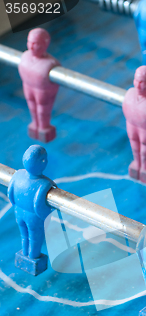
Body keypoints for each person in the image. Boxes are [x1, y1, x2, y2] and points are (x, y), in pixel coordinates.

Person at [8, 145, 56, 275]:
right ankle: (33, 257)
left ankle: (24, 253)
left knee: (24, 235)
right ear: (41, 163)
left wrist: (16, 207)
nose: (46, 161)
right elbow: (38, 206)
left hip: (19, 213)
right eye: (44, 159)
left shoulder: (18, 175)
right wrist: (49, 216)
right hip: (33, 217)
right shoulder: (44, 183)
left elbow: (10, 194)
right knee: (35, 238)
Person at [18, 28, 60, 143]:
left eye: (35, 44)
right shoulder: (25, 57)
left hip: (42, 90)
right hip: (28, 86)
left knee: (42, 109)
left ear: (44, 44)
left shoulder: (51, 64)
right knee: (31, 105)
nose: (31, 47)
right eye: (29, 42)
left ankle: (44, 127)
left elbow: (55, 85)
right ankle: (35, 124)